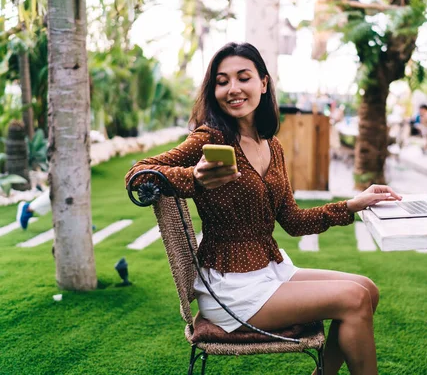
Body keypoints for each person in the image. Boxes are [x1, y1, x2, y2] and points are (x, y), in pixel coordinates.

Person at [125, 42, 401, 375]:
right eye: (222, 81)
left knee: (367, 290)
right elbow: (139, 175)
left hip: (270, 270)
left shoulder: (272, 145)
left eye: (244, 77)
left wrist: (352, 204)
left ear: (264, 83)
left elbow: (294, 221)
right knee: (353, 300)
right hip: (230, 288)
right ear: (213, 90)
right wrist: (194, 178)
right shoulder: (208, 139)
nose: (233, 89)